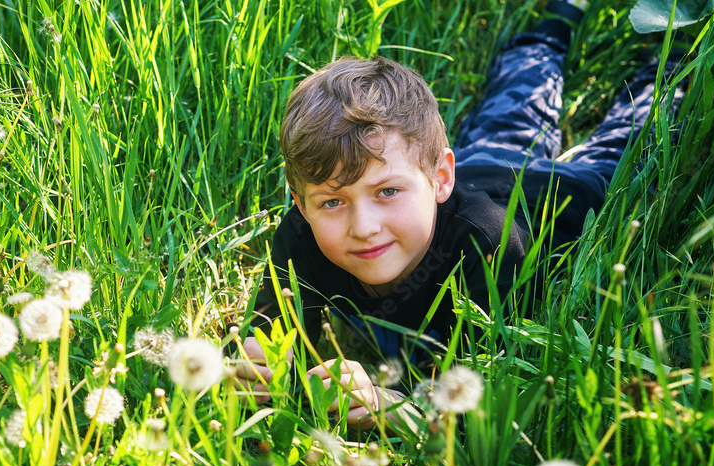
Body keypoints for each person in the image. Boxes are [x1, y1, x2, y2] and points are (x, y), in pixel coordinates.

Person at [234, 0, 679, 427]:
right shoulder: (302, 236)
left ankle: (674, 47)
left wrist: (391, 405)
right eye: (333, 201)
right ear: (301, 204)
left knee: (637, 133)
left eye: (386, 191)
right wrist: (254, 366)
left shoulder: (488, 247)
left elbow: (486, 391)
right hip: (482, 161)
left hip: (564, 193)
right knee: (512, 113)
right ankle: (557, 23)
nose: (364, 228)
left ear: (440, 177)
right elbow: (264, 342)